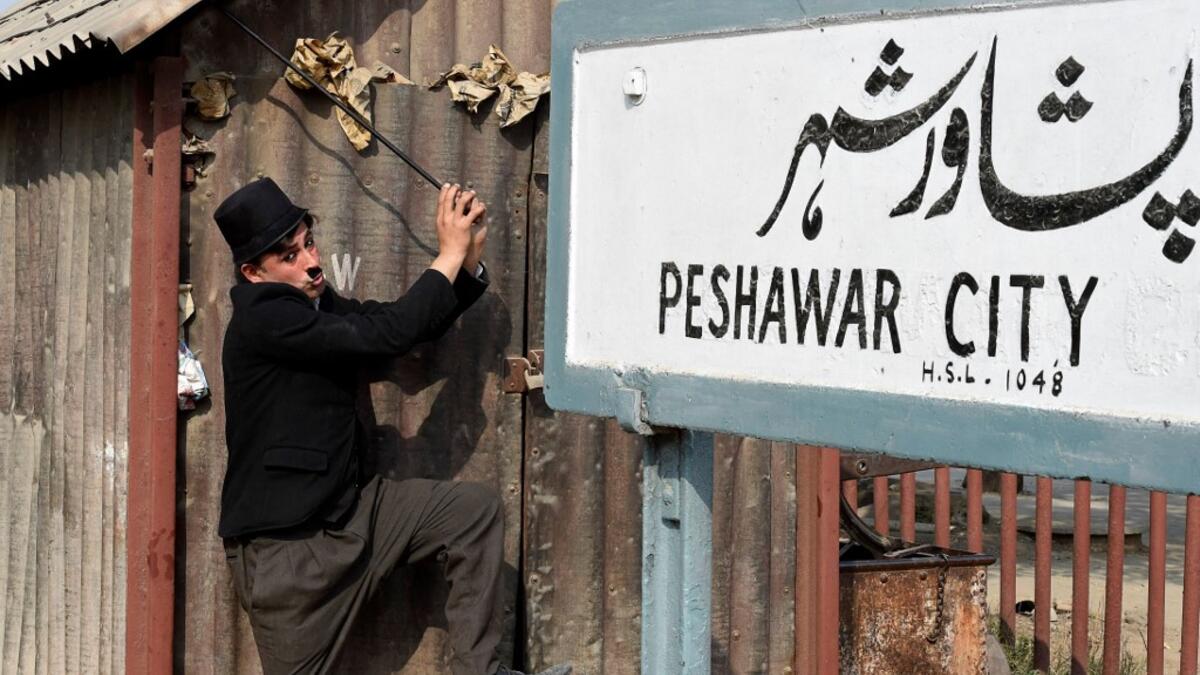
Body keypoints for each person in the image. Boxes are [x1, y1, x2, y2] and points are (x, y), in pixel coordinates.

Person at [213, 177, 571, 675]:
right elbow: (392, 331)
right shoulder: (263, 319)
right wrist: (445, 256)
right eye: (288, 257)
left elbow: (398, 328)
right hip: (289, 556)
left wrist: (464, 267)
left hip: (354, 514)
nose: (311, 262)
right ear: (253, 272)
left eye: (308, 242)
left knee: (472, 512)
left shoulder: (316, 305)